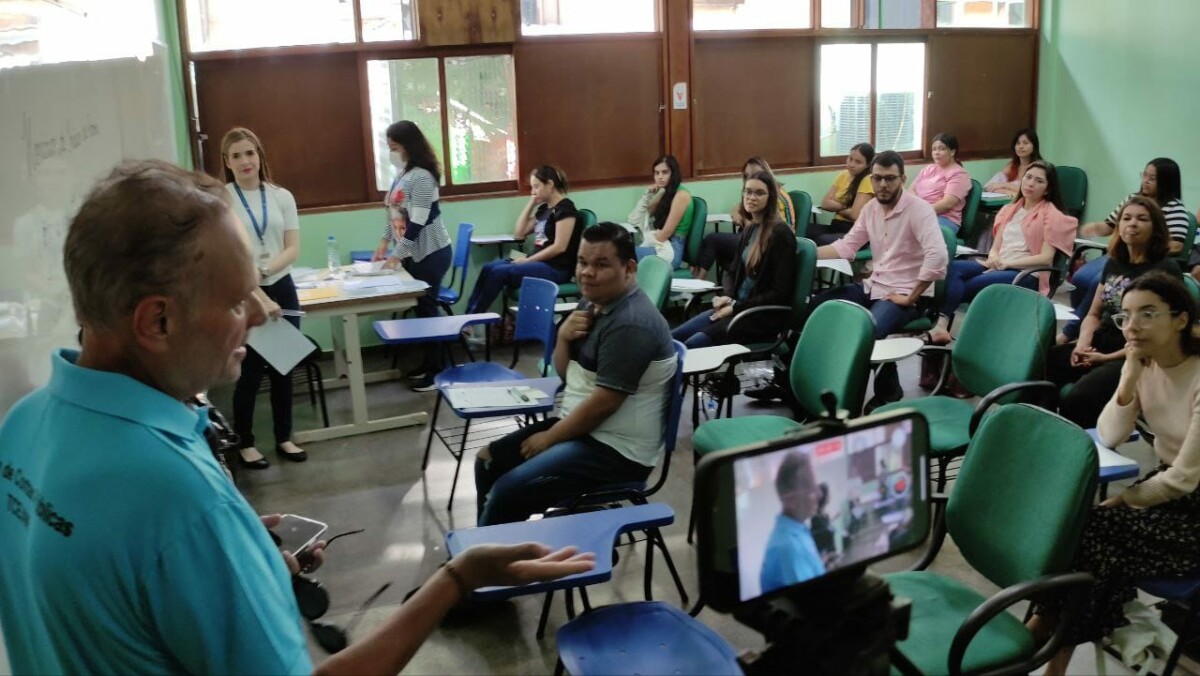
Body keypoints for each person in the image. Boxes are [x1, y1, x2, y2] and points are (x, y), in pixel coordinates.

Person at [0, 160, 593, 675]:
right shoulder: (178, 501)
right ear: (157, 322)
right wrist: (456, 581)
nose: (258, 315)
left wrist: (232, 558)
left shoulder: (22, 426)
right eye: (236, 299)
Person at [1030, 272, 1200, 676]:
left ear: (1180, 319)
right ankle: (1056, 643)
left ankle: (1047, 631)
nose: (1132, 326)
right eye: (1124, 316)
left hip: (1193, 504)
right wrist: (1129, 375)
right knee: (1091, 543)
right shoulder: (1148, 363)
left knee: (1091, 537)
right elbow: (1110, 433)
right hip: (1170, 488)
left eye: (1147, 314)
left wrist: (1128, 497)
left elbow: (1185, 478)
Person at [474, 223, 677, 526]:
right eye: (582, 262)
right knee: (488, 461)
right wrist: (564, 338)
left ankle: (492, 567)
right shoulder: (593, 301)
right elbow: (568, 376)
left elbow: (604, 404)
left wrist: (550, 438)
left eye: (601, 264)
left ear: (629, 268)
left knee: (507, 492)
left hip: (617, 452)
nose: (587, 273)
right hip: (584, 431)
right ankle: (485, 557)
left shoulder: (632, 324)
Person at [812, 150, 948, 410]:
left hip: (906, 294)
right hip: (874, 285)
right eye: (877, 178)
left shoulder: (919, 210)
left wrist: (912, 296)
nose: (882, 185)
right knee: (818, 307)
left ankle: (877, 395)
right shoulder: (872, 209)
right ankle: (806, 386)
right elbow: (847, 247)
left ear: (903, 179)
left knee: (869, 330)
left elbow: (938, 256)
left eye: (890, 178)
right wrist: (805, 253)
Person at [1047, 196, 1180, 428]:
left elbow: (1162, 337)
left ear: (1156, 227)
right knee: (1045, 363)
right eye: (1126, 218)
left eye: (1142, 219)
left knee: (1080, 398)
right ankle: (1043, 430)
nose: (1132, 224)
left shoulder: (1165, 270)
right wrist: (1082, 344)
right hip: (1103, 340)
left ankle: (1082, 452)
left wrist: (1104, 358)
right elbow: (1094, 313)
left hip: (1137, 353)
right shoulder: (1114, 262)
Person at [220, 127, 307, 468]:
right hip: (244, 290)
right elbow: (228, 255)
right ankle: (245, 442)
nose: (245, 161)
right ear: (226, 162)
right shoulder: (222, 199)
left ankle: (285, 437)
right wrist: (256, 290)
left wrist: (266, 272)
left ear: (259, 156)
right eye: (236, 155)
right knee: (251, 372)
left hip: (281, 284)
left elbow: (293, 248)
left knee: (284, 368)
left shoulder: (281, 195)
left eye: (250, 153)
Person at [927, 161, 1076, 344]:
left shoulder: (1052, 215)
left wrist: (1007, 264)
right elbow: (996, 247)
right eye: (1028, 177)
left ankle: (947, 327)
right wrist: (995, 256)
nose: (1030, 184)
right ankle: (942, 326)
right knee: (952, 269)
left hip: (1026, 273)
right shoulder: (1009, 209)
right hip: (999, 264)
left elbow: (1046, 259)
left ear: (1047, 189)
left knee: (967, 286)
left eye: (1039, 181)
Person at [1066, 158, 1191, 339]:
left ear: (1166, 182)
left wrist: (1144, 243)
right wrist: (1093, 227)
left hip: (1147, 256)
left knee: (1096, 283)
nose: (1146, 180)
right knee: (1080, 277)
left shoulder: (1175, 208)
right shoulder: (1133, 199)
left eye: (1152, 178)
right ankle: (1085, 328)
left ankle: (1073, 331)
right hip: (1123, 253)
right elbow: (1110, 225)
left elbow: (1177, 244)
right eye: (1145, 175)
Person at [371, 120, 454, 392]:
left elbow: (417, 223)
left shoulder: (421, 177)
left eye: (394, 147)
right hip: (412, 253)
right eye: (389, 147)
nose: (390, 152)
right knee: (421, 309)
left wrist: (397, 256)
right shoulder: (403, 173)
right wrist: (384, 242)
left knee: (428, 309)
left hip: (430, 252)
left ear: (408, 145)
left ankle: (438, 371)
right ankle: (429, 363)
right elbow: (394, 212)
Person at [672, 171, 796, 348]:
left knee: (692, 343)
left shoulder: (781, 234)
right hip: (737, 309)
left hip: (759, 317)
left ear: (771, 197)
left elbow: (779, 293)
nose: (751, 197)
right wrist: (727, 297)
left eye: (759, 193)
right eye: (748, 191)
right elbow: (731, 272)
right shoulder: (750, 229)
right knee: (672, 338)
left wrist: (735, 308)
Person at [464, 165, 580, 315]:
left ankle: (474, 319)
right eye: (533, 187)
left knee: (498, 273)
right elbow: (519, 233)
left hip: (556, 268)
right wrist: (531, 203)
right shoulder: (545, 210)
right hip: (536, 261)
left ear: (550, 184)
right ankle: (469, 314)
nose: (533, 192)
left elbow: (559, 247)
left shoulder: (566, 209)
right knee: (489, 267)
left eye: (537, 187)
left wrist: (527, 261)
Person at [691, 156, 796, 279]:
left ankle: (698, 281)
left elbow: (772, 229)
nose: (750, 179)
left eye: (755, 174)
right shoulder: (752, 195)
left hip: (766, 242)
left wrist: (745, 220)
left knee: (713, 240)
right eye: (746, 176)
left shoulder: (775, 196)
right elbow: (737, 209)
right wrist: (740, 214)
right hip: (751, 237)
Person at [760, 451, 826, 594]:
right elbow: (810, 600)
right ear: (790, 500)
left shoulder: (799, 528)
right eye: (811, 488)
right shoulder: (788, 547)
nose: (820, 494)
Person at [628, 155, 693, 268]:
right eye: (656, 173)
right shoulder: (664, 193)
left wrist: (647, 239)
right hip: (661, 245)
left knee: (623, 255)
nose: (660, 177)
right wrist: (648, 195)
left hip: (672, 250)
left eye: (664, 172)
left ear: (674, 173)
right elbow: (634, 219)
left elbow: (664, 235)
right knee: (623, 253)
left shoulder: (682, 195)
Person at [811, 142, 877, 245]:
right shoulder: (844, 174)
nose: (851, 164)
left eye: (858, 162)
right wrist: (846, 207)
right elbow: (825, 203)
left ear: (868, 165)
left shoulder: (867, 179)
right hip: (835, 226)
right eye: (850, 159)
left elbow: (855, 215)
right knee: (802, 231)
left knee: (819, 241)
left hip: (853, 231)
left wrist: (836, 206)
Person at [909, 133, 972, 233]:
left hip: (944, 219)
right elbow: (911, 189)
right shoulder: (928, 169)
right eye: (934, 149)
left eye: (941, 149)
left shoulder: (959, 174)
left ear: (952, 151)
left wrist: (920, 212)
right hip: (920, 214)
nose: (936, 152)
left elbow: (947, 204)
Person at [982, 128, 1042, 198]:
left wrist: (1005, 185)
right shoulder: (1012, 165)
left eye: (1025, 143)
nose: (1021, 147)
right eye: (1018, 143)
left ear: (1034, 146)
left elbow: (1031, 192)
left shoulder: (1039, 167)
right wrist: (1006, 191)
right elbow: (988, 187)